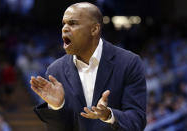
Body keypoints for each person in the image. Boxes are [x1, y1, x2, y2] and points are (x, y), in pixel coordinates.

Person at [30, 2, 146, 131]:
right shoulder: (55, 70)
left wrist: (109, 115)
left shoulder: (129, 63)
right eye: (64, 24)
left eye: (73, 23)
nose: (65, 28)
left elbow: (137, 121)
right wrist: (56, 107)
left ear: (94, 29)